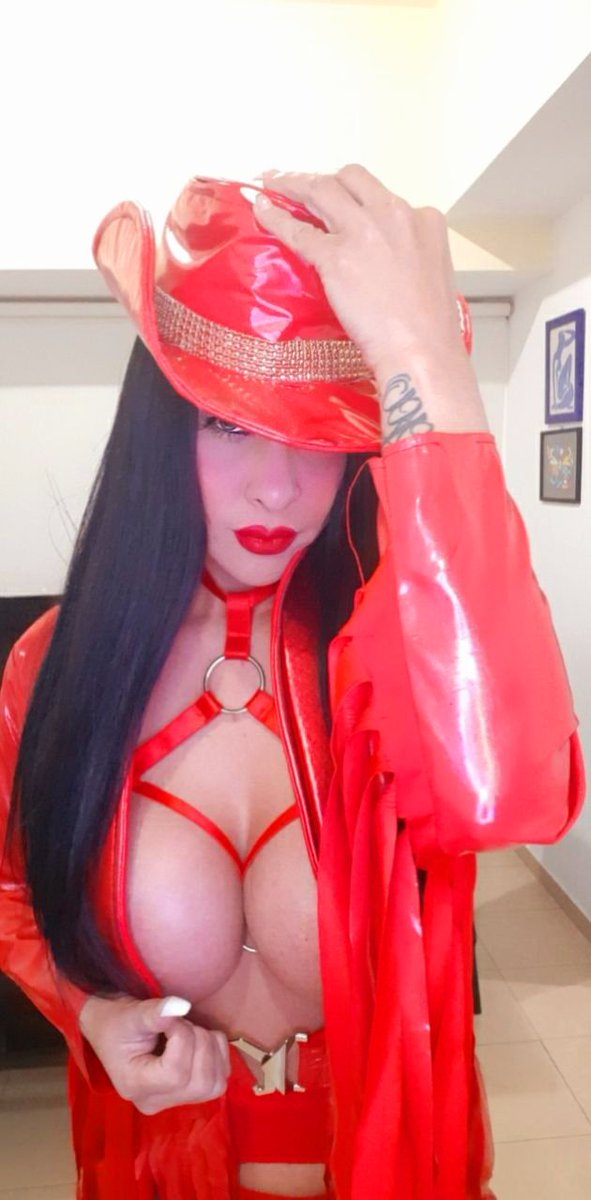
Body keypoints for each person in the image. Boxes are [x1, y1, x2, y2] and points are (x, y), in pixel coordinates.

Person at [0, 167, 584, 1200]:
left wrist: (427, 368)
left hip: (398, 1170)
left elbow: (514, 792)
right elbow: (14, 894)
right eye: (227, 425)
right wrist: (90, 1014)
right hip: (156, 1174)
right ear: (159, 428)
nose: (277, 487)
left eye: (316, 435)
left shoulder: (388, 652)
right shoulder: (59, 664)